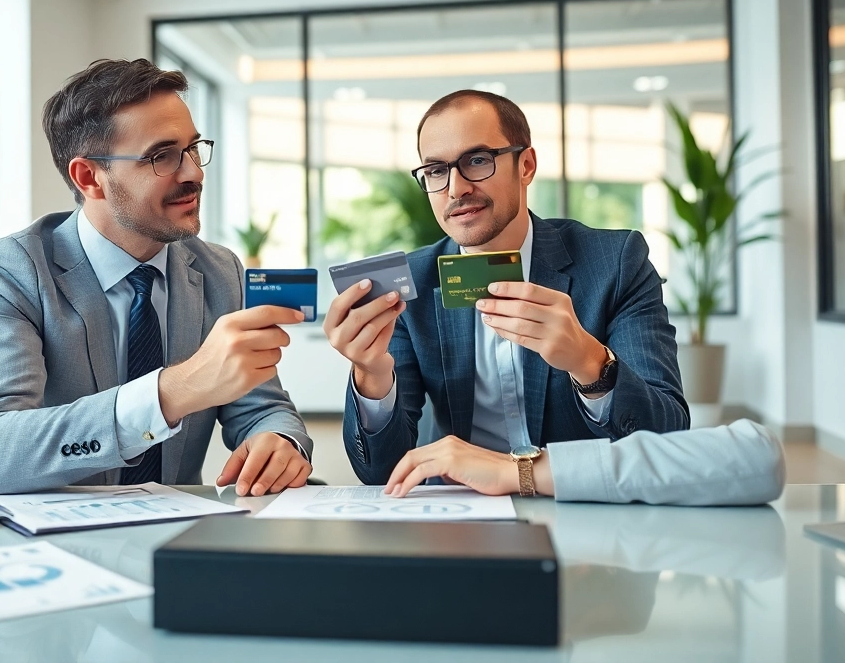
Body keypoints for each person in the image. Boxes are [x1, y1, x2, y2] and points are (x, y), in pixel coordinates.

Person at [325, 89, 781, 505]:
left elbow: (666, 433)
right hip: (466, 515)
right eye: (436, 170)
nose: (457, 187)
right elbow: (379, 472)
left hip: (595, 512)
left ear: (526, 165)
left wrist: (589, 362)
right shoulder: (414, 283)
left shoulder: (615, 261)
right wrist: (371, 374)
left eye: (478, 160)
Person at [0, 59, 312, 496]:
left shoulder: (220, 271)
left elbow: (262, 407)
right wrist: (171, 393)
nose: (194, 173)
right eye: (161, 156)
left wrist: (277, 440)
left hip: (175, 535)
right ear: (90, 178)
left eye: (193, 149)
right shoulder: (11, 270)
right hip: (46, 543)